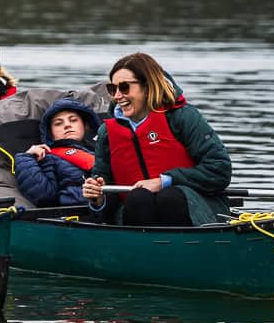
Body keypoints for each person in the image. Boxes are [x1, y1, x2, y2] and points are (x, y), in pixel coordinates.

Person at [81, 53, 231, 226]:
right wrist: (98, 199)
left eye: (124, 87)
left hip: (196, 209)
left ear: (147, 86)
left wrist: (164, 181)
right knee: (138, 198)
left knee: (169, 197)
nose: (117, 96)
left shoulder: (183, 117)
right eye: (112, 89)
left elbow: (219, 170)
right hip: (135, 212)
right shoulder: (106, 132)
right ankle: (143, 248)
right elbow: (105, 190)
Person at [14, 98, 101, 207]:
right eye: (58, 123)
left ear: (85, 125)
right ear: (50, 133)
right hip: (79, 211)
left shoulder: (102, 151)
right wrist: (26, 158)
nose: (67, 125)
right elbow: (43, 197)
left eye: (73, 120)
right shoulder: (50, 158)